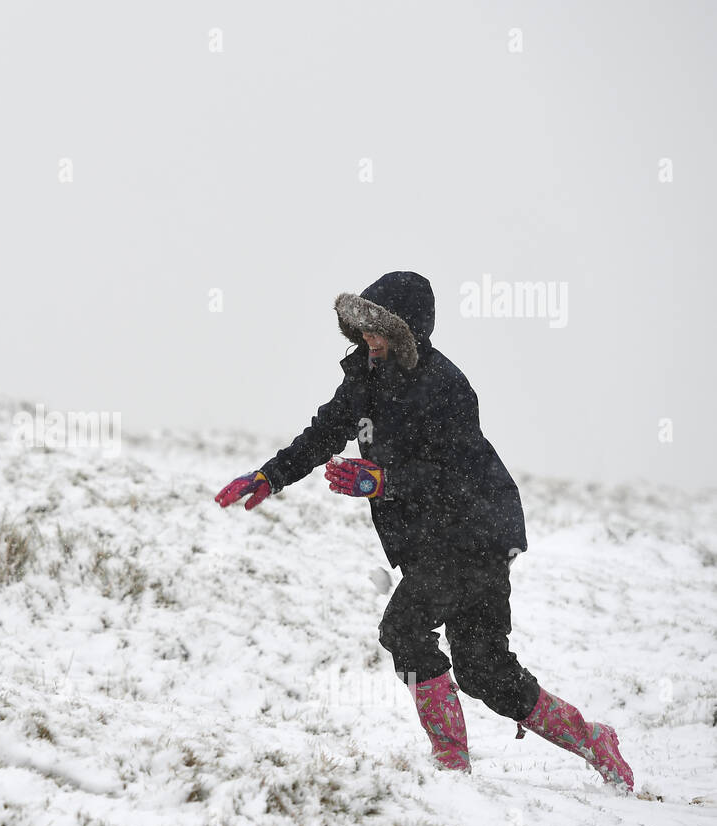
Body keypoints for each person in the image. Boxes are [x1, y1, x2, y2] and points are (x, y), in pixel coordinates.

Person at [215, 272, 633, 790]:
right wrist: (268, 476)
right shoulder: (364, 377)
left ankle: (452, 764)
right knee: (485, 674)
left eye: (379, 329)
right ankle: (592, 739)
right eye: (363, 327)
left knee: (403, 629)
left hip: (475, 533)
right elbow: (325, 431)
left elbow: (456, 474)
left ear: (407, 330)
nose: (369, 338)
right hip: (435, 541)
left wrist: (383, 480)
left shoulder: (446, 386)